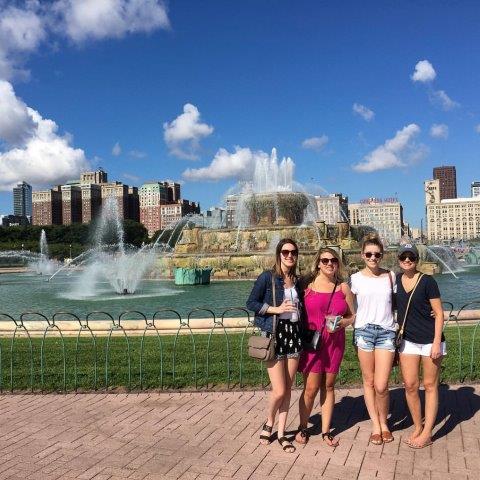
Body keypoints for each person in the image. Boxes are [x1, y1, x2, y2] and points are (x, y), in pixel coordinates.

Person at [246, 238, 303, 453]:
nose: (290, 256)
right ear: (279, 254)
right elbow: (251, 303)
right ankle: (269, 422)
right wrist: (275, 309)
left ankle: (281, 433)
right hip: (274, 334)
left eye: (293, 252)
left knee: (288, 388)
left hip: (294, 334)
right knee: (279, 390)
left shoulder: (297, 280)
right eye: (286, 252)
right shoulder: (267, 278)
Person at [295, 247, 355, 447]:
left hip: (334, 344)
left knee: (328, 386)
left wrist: (344, 323)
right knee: (310, 388)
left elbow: (353, 316)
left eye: (334, 260)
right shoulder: (306, 285)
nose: (330, 264)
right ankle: (303, 427)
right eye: (325, 260)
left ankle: (325, 431)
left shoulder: (343, 288)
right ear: (318, 263)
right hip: (313, 343)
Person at [396, 243, 446, 449]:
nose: (407, 260)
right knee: (410, 385)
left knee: (430, 385)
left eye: (412, 257)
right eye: (404, 257)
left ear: (417, 260)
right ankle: (418, 425)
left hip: (429, 341)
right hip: (407, 341)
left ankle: (427, 433)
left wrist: (436, 343)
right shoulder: (395, 281)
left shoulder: (427, 281)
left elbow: (439, 312)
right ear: (398, 259)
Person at [350, 233, 397, 445]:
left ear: (382, 256)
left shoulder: (391, 276)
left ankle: (385, 422)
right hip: (364, 333)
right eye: (368, 254)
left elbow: (401, 303)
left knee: (381, 385)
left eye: (376, 254)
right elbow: (349, 307)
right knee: (368, 381)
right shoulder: (355, 279)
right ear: (362, 255)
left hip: (387, 332)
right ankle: (376, 425)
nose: (372, 257)